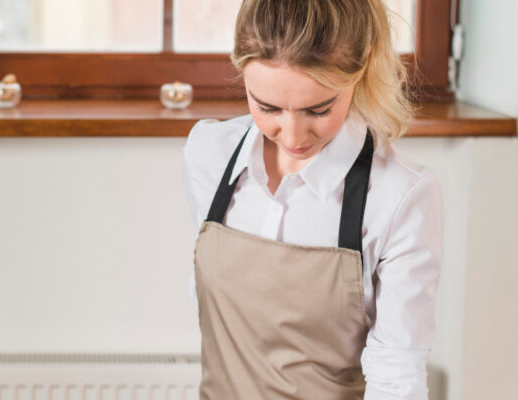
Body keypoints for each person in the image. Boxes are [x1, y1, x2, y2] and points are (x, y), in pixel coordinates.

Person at [181, 0, 444, 399]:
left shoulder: (399, 195)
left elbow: (397, 373)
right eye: (266, 107)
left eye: (319, 109)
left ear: (361, 71)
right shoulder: (209, 154)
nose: (292, 136)